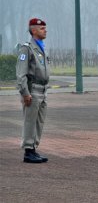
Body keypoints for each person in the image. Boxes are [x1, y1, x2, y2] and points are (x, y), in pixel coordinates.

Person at [16, 18, 51, 163]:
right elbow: (21, 73)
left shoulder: (41, 47)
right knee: (30, 121)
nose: (45, 30)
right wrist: (25, 93)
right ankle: (28, 151)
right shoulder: (27, 48)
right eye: (42, 28)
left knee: (39, 122)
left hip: (43, 89)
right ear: (34, 30)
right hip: (33, 90)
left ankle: (33, 149)